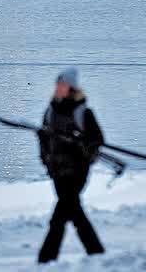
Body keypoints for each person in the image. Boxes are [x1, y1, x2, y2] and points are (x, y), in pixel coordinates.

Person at [37, 68, 105, 263]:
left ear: (72, 88)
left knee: (60, 216)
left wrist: (80, 145)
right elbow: (43, 140)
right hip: (57, 173)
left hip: (76, 173)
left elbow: (97, 142)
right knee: (74, 213)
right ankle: (97, 253)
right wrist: (47, 161)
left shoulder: (83, 113)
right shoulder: (50, 111)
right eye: (57, 85)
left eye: (62, 85)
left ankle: (46, 259)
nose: (58, 88)